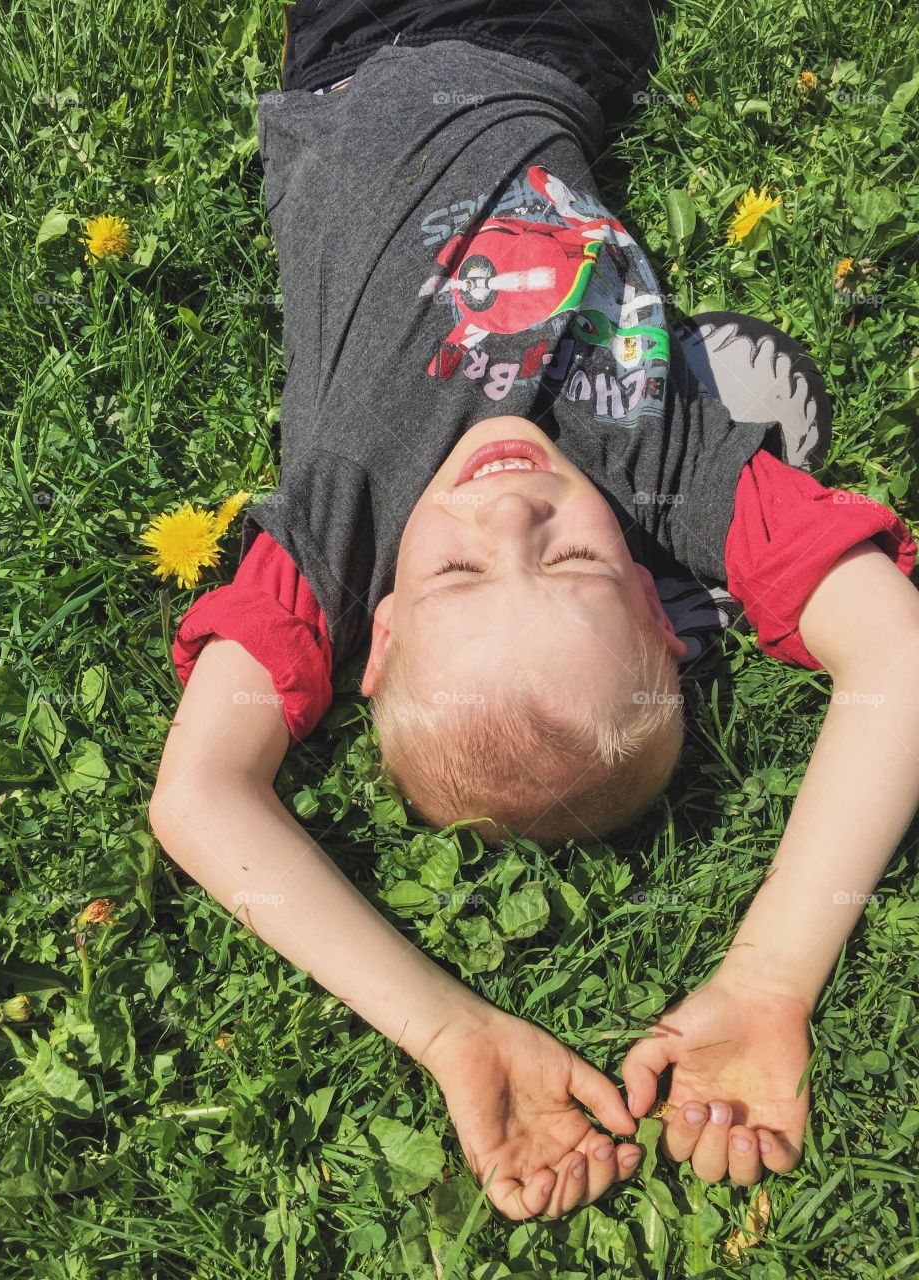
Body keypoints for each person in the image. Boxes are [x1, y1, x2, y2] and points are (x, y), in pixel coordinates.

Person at [149, 0, 919, 1220]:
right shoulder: (665, 469)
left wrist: (452, 1027)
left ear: (382, 630)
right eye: (573, 566)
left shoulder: (342, 531)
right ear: (669, 609)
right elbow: (899, 656)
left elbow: (198, 793)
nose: (511, 516)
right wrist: (772, 971)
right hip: (560, 41)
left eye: (456, 574)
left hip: (365, 42)